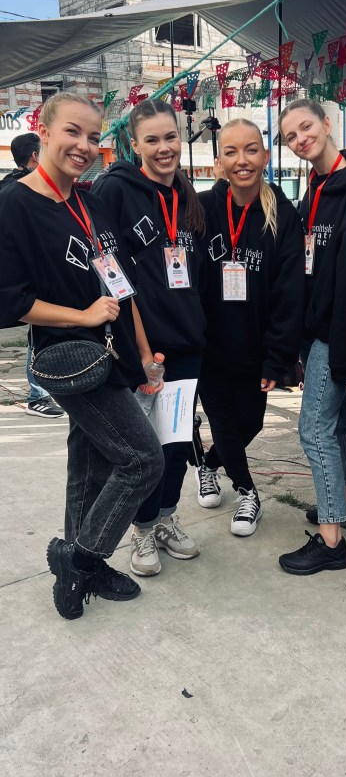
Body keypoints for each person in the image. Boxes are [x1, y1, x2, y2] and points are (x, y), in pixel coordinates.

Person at [0, 92, 164, 620]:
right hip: (71, 355)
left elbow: (120, 285)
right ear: (43, 131)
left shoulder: (90, 203)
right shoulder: (15, 203)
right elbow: (10, 301)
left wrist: (144, 354)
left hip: (112, 353)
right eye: (73, 131)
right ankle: (82, 557)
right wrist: (83, 316)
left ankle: (78, 573)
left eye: (93, 137)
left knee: (89, 461)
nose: (84, 146)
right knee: (142, 460)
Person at [92, 98, 206, 577]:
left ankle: (164, 518)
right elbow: (112, 274)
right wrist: (139, 351)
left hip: (187, 345)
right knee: (146, 449)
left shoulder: (187, 193)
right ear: (135, 145)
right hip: (144, 350)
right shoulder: (115, 190)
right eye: (152, 140)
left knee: (177, 444)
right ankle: (140, 531)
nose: (164, 148)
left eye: (171, 137)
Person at [276, 98, 346, 575]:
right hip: (312, 324)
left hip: (335, 329)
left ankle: (331, 541)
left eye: (306, 127)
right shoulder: (316, 185)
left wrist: (341, 346)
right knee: (338, 420)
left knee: (313, 429)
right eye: (290, 136)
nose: (301, 139)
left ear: (326, 123)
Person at [196, 118, 304, 536]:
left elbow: (289, 294)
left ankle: (208, 465)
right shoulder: (202, 208)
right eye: (231, 151)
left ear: (265, 156)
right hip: (208, 344)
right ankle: (248, 493)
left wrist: (278, 357)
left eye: (251, 149)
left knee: (251, 423)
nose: (242, 160)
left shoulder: (283, 215)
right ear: (219, 161)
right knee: (223, 422)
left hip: (254, 347)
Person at [0, 132, 65, 418]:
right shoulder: (21, 192)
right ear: (36, 156)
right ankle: (38, 395)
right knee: (36, 333)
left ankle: (41, 392)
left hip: (27, 280)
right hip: (28, 282)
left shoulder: (11, 187)